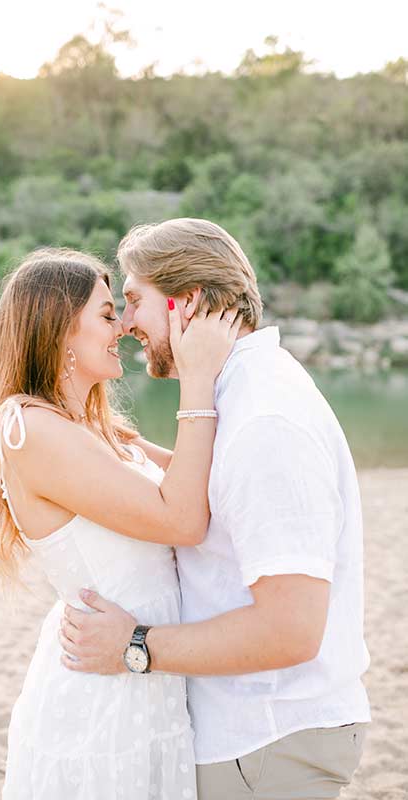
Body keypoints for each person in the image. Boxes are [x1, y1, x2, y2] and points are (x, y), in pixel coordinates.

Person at [58, 219, 372, 800]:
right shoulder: (243, 392)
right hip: (261, 736)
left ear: (189, 301)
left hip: (270, 740)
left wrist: (134, 646)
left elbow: (292, 629)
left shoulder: (265, 419)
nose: (125, 326)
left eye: (134, 301)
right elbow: (220, 494)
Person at [0, 246, 242, 799]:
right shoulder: (29, 428)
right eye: (105, 314)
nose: (122, 326)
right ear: (57, 330)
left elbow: (210, 487)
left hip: (147, 681)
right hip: (99, 699)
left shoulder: (104, 432)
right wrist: (196, 379)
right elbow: (184, 518)